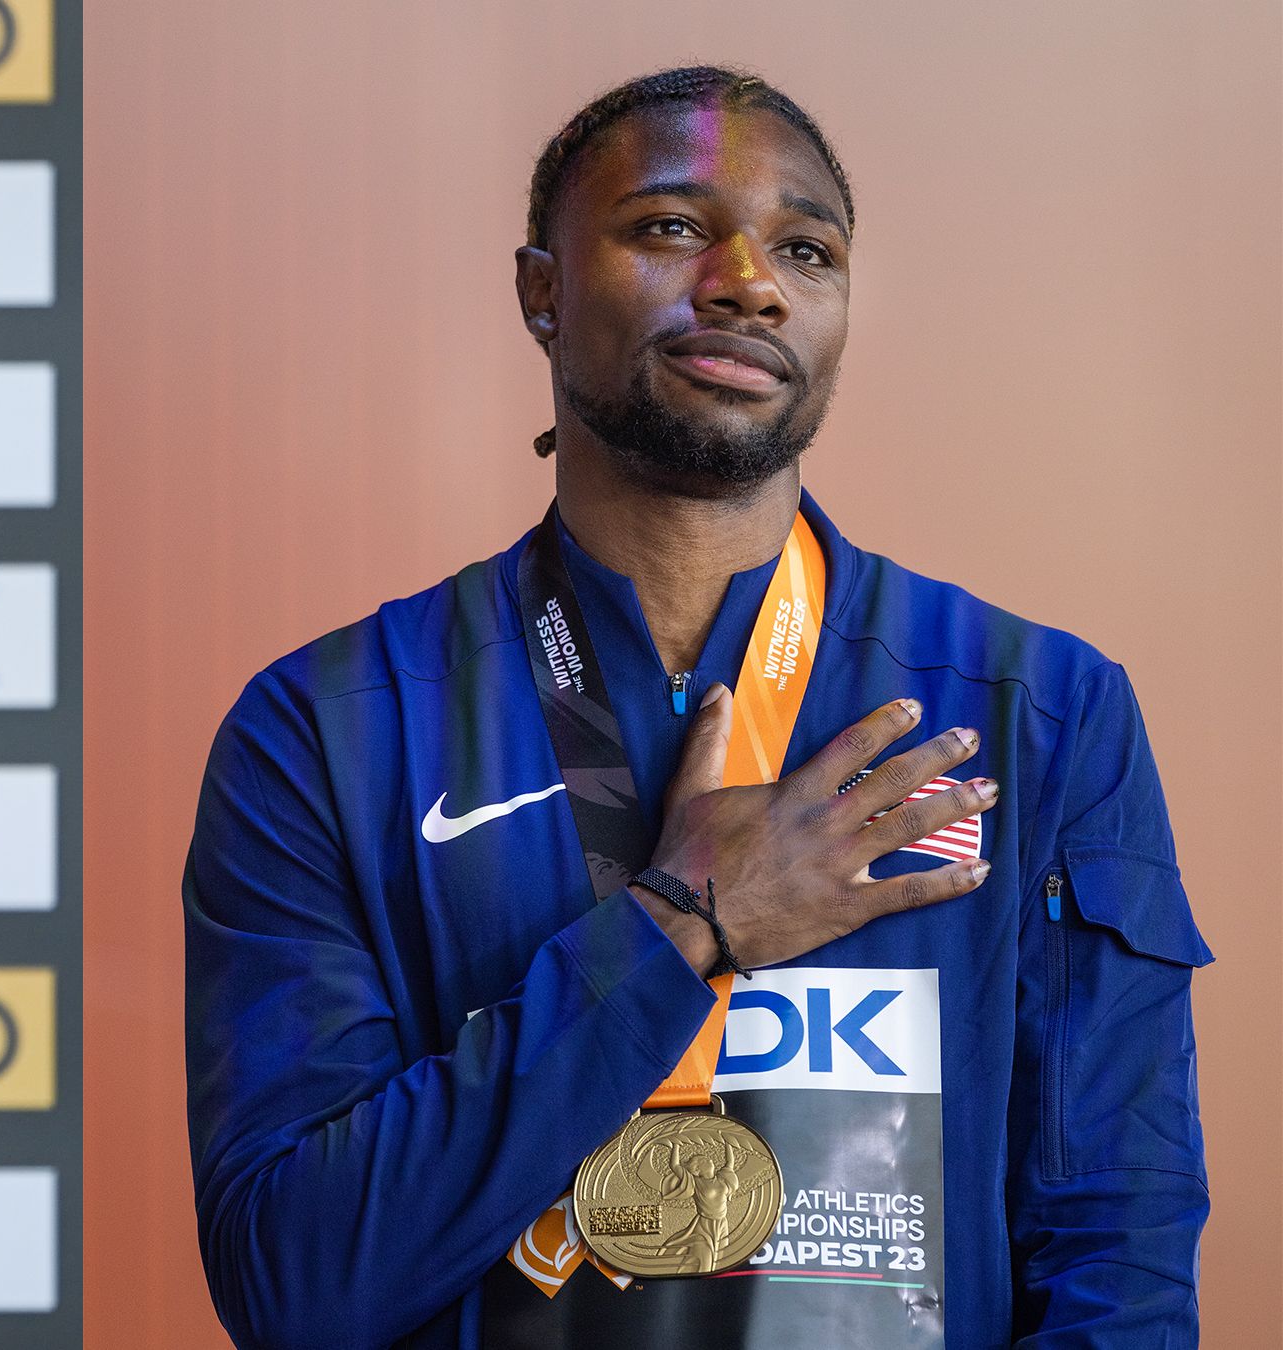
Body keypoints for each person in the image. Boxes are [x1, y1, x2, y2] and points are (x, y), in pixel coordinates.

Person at [183, 67, 1209, 1349]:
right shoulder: (328, 729)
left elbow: (1119, 1255)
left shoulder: (1037, 709)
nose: (749, 282)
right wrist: (678, 930)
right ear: (542, 291)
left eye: (806, 250)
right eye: (672, 227)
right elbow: (296, 1287)